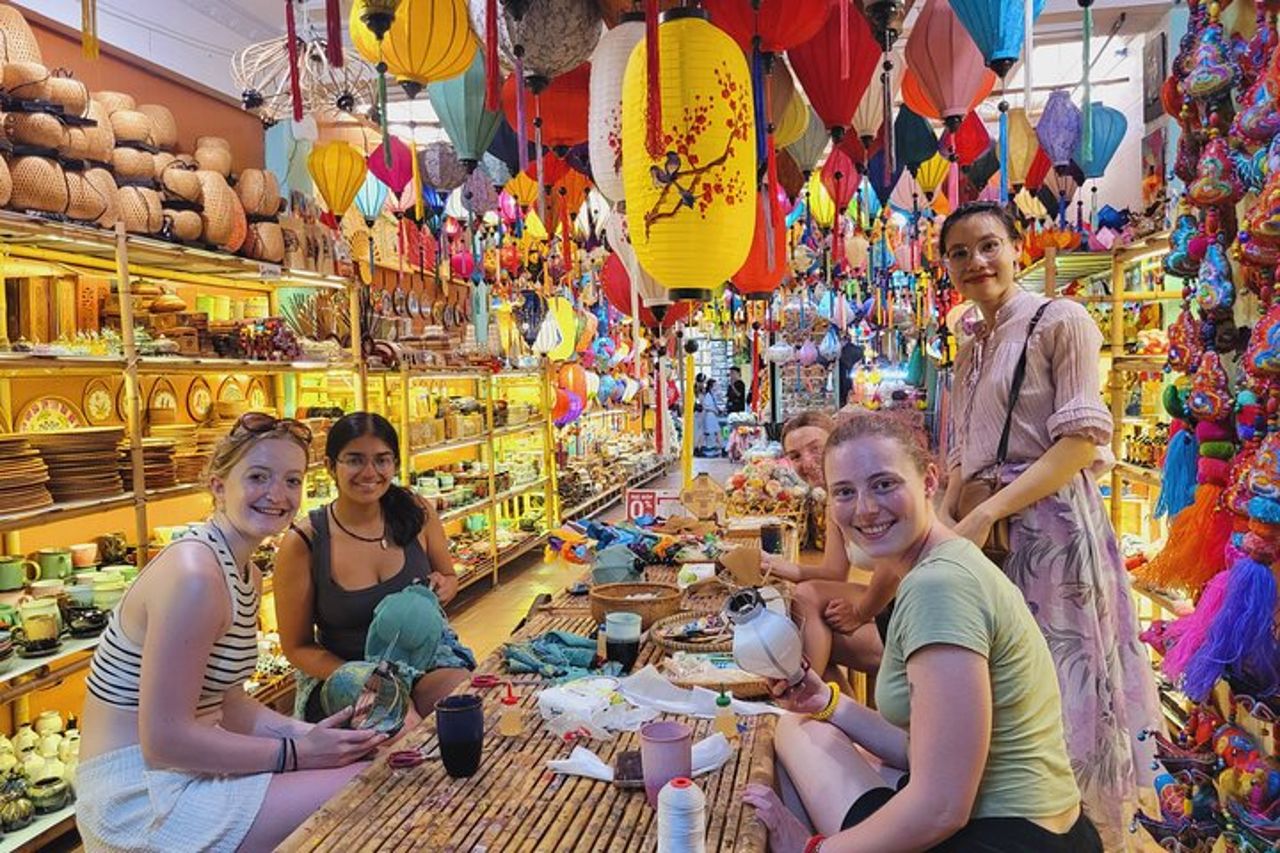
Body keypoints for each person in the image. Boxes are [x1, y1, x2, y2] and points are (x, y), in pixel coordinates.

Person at [743, 412, 1101, 853]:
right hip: (1042, 828)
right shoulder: (944, 563)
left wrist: (814, 850)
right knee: (804, 726)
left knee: (793, 740)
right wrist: (827, 702)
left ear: (929, 481)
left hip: (1005, 839)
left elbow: (941, 808)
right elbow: (927, 750)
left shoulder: (938, 587)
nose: (866, 509)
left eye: (884, 484)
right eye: (845, 492)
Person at [937, 200, 1159, 846]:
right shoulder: (970, 348)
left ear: (1016, 247)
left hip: (1050, 527)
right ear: (947, 266)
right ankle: (1013, 812)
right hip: (984, 531)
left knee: (1061, 670)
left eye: (989, 245)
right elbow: (964, 449)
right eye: (959, 253)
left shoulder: (1062, 320)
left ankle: (1073, 825)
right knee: (1000, 669)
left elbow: (1081, 442)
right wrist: (948, 515)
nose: (977, 261)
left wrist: (986, 510)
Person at [76, 413, 386, 852]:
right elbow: (164, 741)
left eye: (292, 480)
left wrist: (311, 737)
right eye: (258, 476)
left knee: (367, 764)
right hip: (140, 799)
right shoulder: (195, 575)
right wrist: (296, 754)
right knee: (370, 786)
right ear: (219, 486)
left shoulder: (245, 572)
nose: (277, 495)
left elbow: (229, 703)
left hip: (183, 772)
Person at [274, 412, 475, 725]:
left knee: (463, 701)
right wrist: (365, 677)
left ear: (394, 463)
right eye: (355, 460)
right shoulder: (305, 541)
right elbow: (297, 647)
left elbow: (449, 577)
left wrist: (444, 586)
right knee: (397, 723)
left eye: (382, 460)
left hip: (420, 662)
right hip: (344, 674)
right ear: (330, 466)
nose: (370, 472)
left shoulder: (416, 512)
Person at [766, 412, 893, 686]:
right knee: (808, 623)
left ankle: (807, 695)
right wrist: (774, 566)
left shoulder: (865, 490)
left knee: (805, 633)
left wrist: (861, 612)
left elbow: (895, 564)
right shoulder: (834, 499)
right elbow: (834, 572)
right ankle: (826, 702)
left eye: (816, 449)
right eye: (795, 456)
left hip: (912, 610)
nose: (806, 462)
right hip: (892, 601)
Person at [697, 378, 723, 457]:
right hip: (710, 416)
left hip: (711, 416)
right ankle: (699, 448)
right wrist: (715, 410)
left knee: (714, 432)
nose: (717, 386)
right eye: (715, 385)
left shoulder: (711, 395)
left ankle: (699, 448)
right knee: (713, 432)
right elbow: (706, 406)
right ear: (711, 386)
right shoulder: (708, 395)